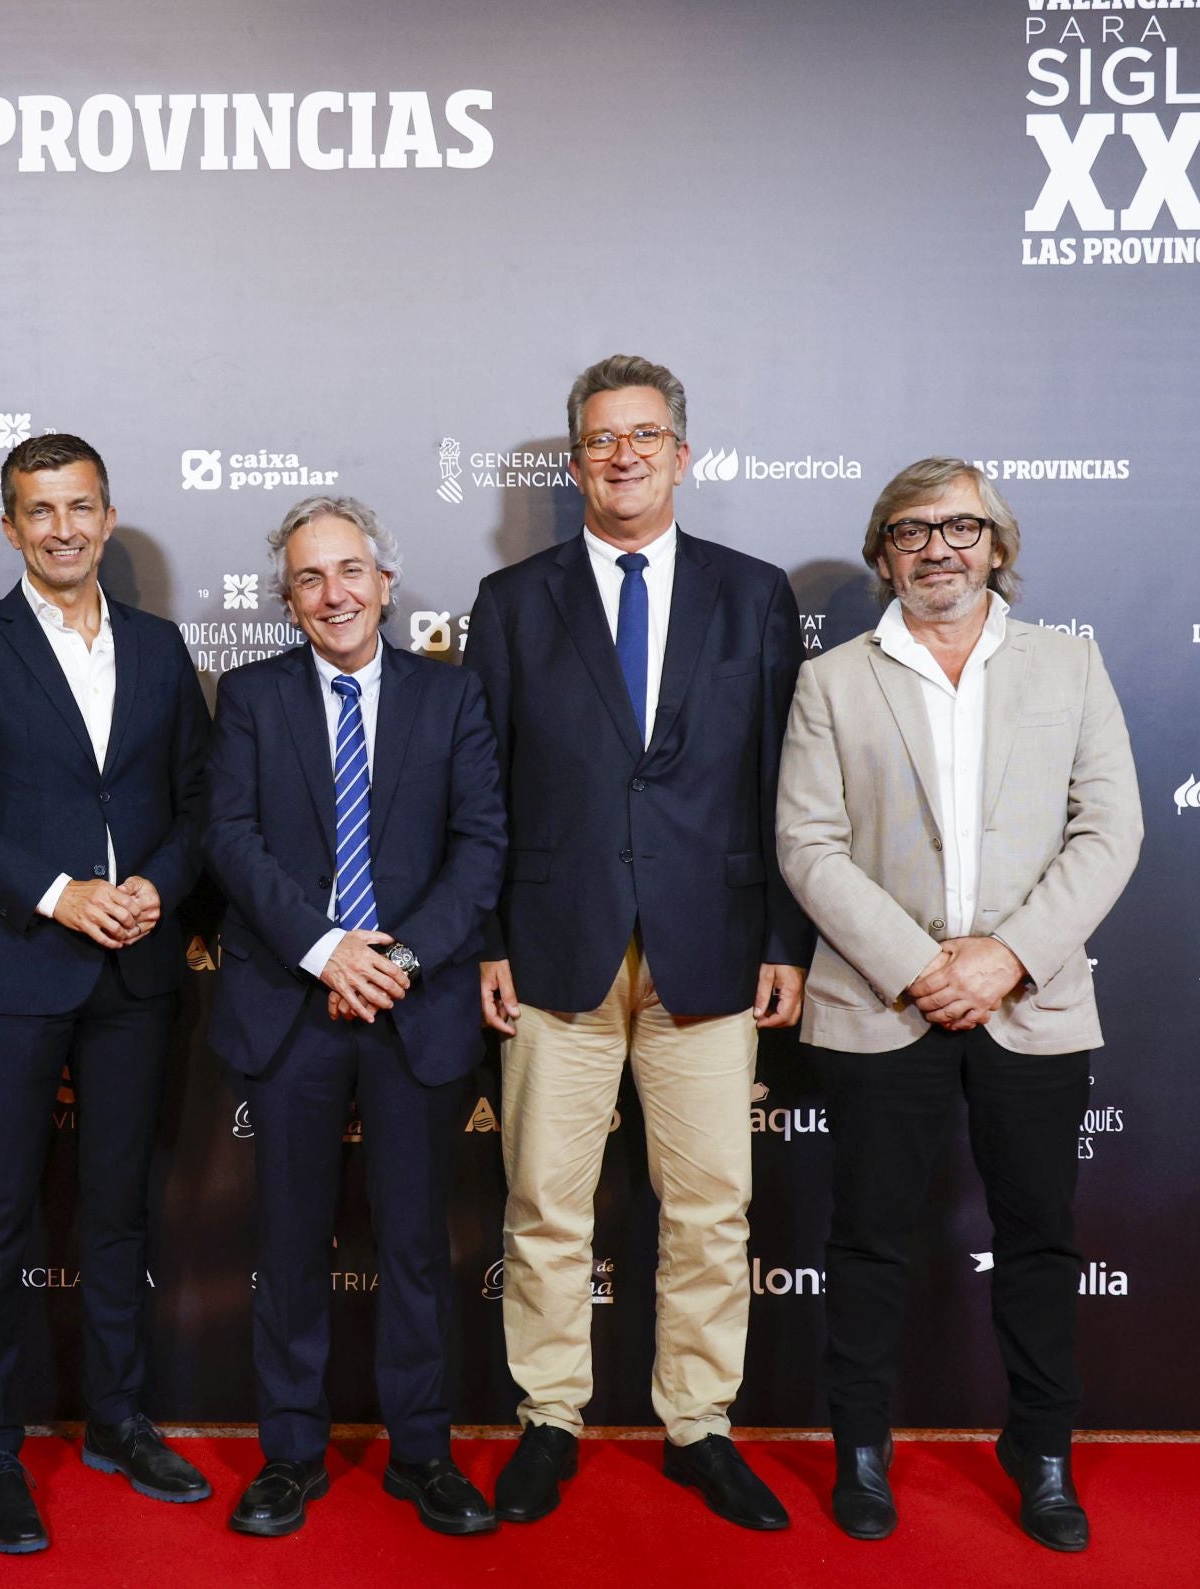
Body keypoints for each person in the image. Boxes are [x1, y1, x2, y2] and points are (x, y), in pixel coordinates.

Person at [464, 354, 813, 1531]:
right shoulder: (514, 600)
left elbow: (783, 776)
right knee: (545, 1202)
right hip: (555, 941)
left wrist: (783, 932)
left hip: (709, 945)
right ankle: (550, 1414)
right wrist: (491, 935)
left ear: (682, 453)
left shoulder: (754, 593)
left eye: (646, 435)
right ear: (575, 464)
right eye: (603, 438)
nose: (624, 454)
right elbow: (487, 785)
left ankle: (699, 1421)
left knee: (713, 1204)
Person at [776, 458, 1141, 1551]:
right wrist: (920, 964)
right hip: (884, 1005)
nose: (939, 546)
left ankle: (1041, 1455)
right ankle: (863, 1451)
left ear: (997, 543)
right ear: (885, 551)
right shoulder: (834, 680)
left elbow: (1110, 829)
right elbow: (807, 841)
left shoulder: (1070, 664)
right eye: (912, 529)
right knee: (870, 1239)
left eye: (962, 526)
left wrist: (1008, 957)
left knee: (1038, 1239)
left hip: (1032, 1005)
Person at [0, 432, 211, 1555]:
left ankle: (118, 1418)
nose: (63, 527)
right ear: (10, 526)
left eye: (80, 506)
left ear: (109, 516)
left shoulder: (164, 649)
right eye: (40, 510)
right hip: (15, 963)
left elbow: (197, 801)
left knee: (120, 1207)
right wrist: (57, 891)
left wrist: (154, 891)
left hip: (137, 967)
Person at [204, 497, 505, 1539]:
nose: (332, 593)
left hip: (415, 1002)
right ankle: (289, 1452)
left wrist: (397, 958)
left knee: (419, 1242)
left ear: (385, 579)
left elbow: (480, 848)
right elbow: (232, 841)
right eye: (308, 578)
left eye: (349, 570)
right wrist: (328, 949)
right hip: (292, 999)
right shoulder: (247, 697)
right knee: (289, 1237)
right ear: (287, 599)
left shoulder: (453, 698)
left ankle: (424, 1451)